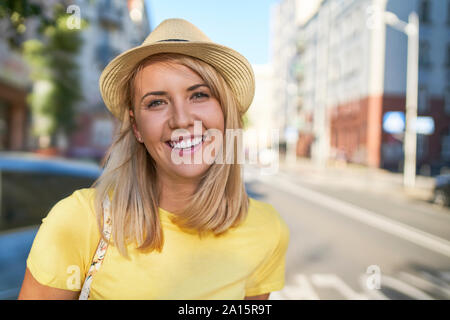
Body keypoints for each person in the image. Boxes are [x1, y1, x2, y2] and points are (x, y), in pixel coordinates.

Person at [18, 18, 290, 300]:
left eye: (199, 95)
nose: (182, 119)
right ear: (136, 127)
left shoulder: (267, 229)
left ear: (225, 113)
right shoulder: (78, 221)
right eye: (157, 102)